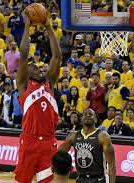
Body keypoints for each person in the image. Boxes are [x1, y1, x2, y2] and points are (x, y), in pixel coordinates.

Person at [14, 10, 62, 183]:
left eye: (42, 66)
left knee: (47, 181)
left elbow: (57, 56)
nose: (40, 68)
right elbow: (24, 56)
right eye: (35, 66)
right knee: (23, 180)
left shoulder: (49, 82)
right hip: (29, 140)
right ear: (28, 71)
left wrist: (49, 27)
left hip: (49, 142)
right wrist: (27, 26)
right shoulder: (24, 85)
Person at [58, 108, 116, 183]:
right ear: (81, 119)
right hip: (81, 178)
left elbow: (111, 164)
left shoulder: (103, 136)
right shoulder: (73, 135)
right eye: (85, 114)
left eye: (90, 114)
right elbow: (59, 153)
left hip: (99, 179)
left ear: (95, 119)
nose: (88, 116)